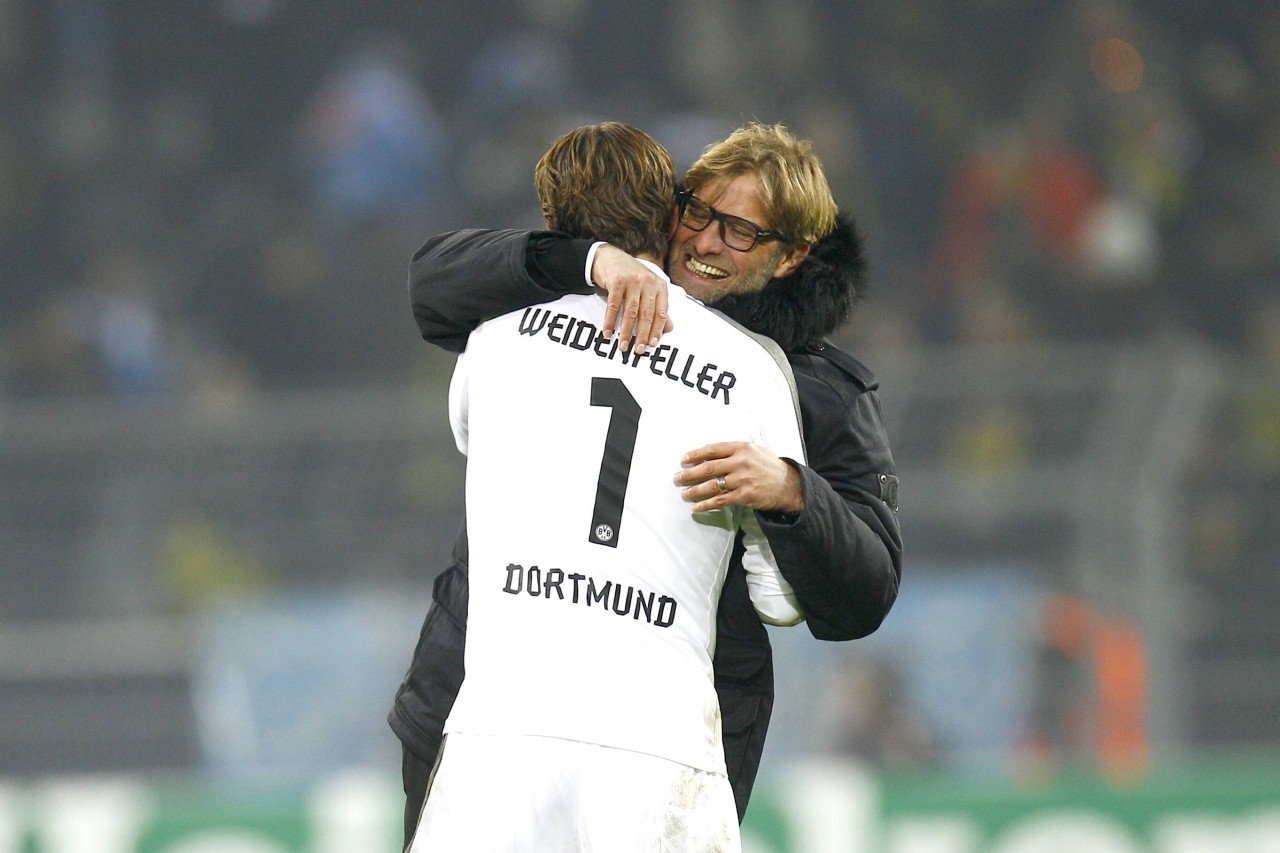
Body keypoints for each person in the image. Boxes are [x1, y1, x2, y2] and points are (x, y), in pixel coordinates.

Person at [391, 122, 903, 840]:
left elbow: (863, 592)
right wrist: (591, 262)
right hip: (476, 708)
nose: (704, 242)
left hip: (655, 735)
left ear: (791, 258)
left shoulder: (814, 389)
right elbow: (433, 281)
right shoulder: (571, 287)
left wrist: (796, 493)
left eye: (739, 233)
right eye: (697, 212)